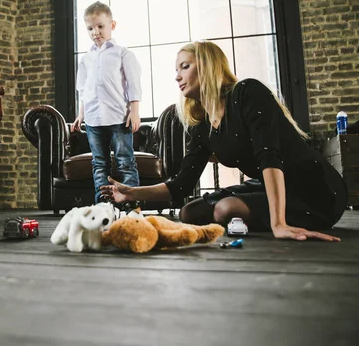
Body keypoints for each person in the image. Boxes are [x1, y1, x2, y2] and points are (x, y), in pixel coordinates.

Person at [102, 41, 347, 241]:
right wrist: (131, 193)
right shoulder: (203, 124)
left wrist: (278, 224)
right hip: (267, 184)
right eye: (176, 70)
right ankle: (258, 216)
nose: (177, 77)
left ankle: (276, 218)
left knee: (224, 209)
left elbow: (269, 156)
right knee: (190, 212)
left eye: (184, 67)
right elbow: (181, 185)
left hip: (315, 190)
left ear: (207, 65)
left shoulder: (248, 93)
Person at [71, 1, 142, 212]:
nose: (96, 32)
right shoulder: (86, 59)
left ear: (112, 25)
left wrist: (135, 111)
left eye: (100, 26)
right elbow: (83, 90)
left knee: (125, 162)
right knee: (99, 164)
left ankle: (132, 206)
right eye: (90, 28)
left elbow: (133, 85)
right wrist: (80, 115)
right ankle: (103, 207)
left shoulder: (123, 54)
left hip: (119, 118)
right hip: (93, 120)